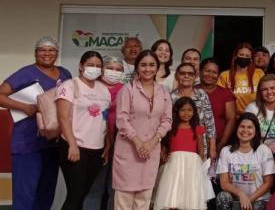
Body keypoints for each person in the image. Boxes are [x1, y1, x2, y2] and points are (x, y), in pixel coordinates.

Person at [0, 36, 72, 210]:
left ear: (57, 53)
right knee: (25, 193)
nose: (47, 53)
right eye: (42, 50)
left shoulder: (65, 73)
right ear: (35, 53)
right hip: (27, 143)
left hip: (53, 142)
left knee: (46, 191)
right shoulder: (26, 73)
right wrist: (24, 107)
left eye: (51, 50)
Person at [112, 50, 173, 209]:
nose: (148, 69)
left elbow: (167, 120)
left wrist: (152, 142)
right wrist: (138, 143)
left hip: (151, 151)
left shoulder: (164, 92)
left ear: (157, 67)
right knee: (124, 201)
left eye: (152, 65)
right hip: (129, 149)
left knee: (144, 200)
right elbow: (121, 119)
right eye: (143, 65)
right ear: (137, 68)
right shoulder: (128, 89)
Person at [56, 51, 111, 210]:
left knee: (84, 192)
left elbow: (105, 119)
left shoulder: (103, 90)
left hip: (97, 148)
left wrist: (107, 145)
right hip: (74, 146)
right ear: (81, 66)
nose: (95, 68)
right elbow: (63, 117)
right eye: (90, 65)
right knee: (75, 193)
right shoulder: (70, 85)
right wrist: (72, 144)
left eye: (98, 66)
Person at [154, 96, 215, 210]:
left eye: (189, 110)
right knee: (172, 193)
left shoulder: (197, 128)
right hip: (174, 163)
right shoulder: (171, 127)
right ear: (176, 112)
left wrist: (199, 165)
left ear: (194, 112)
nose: (186, 113)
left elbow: (201, 149)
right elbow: (166, 144)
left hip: (191, 164)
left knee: (190, 193)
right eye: (182, 110)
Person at [84, 55, 125, 210]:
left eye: (118, 69)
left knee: (115, 187)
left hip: (121, 142)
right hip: (96, 142)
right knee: (95, 185)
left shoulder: (126, 89)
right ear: (102, 69)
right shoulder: (91, 87)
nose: (113, 72)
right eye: (110, 68)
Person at [216, 113, 275, 210]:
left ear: (256, 131)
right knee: (222, 197)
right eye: (242, 126)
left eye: (250, 127)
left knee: (257, 206)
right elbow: (224, 183)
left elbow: (268, 183)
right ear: (236, 129)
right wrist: (241, 194)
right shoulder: (226, 151)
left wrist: (249, 199)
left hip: (258, 200)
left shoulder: (263, 150)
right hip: (236, 200)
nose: (245, 130)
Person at [171, 63, 218, 161]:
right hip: (177, 145)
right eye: (182, 73)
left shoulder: (202, 95)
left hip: (200, 145)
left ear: (196, 76)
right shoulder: (170, 97)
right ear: (176, 76)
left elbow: (210, 123)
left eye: (190, 74)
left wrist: (212, 148)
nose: (186, 76)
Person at [199, 58, 236, 154]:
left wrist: (221, 144)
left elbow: (231, 119)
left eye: (214, 72)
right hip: (192, 144)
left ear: (218, 75)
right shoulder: (191, 91)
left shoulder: (225, 94)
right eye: (207, 71)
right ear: (200, 71)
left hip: (218, 145)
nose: (210, 75)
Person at [218, 43, 265, 114]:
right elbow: (219, 99)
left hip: (255, 116)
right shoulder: (225, 75)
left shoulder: (259, 73)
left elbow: (265, 95)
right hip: (234, 117)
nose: (244, 57)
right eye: (241, 55)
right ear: (235, 56)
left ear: (251, 59)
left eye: (247, 56)